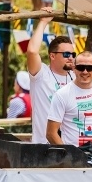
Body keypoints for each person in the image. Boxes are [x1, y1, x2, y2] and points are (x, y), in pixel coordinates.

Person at [47, 51, 92, 167]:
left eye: (89, 68)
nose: (85, 72)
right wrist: (69, 158)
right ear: (74, 68)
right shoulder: (62, 94)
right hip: (76, 161)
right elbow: (51, 133)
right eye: (81, 67)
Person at [26, 9, 75, 143]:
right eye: (66, 54)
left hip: (71, 146)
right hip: (44, 147)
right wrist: (43, 22)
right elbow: (31, 51)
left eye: (73, 54)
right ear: (52, 56)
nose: (70, 58)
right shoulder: (41, 74)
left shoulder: (75, 77)